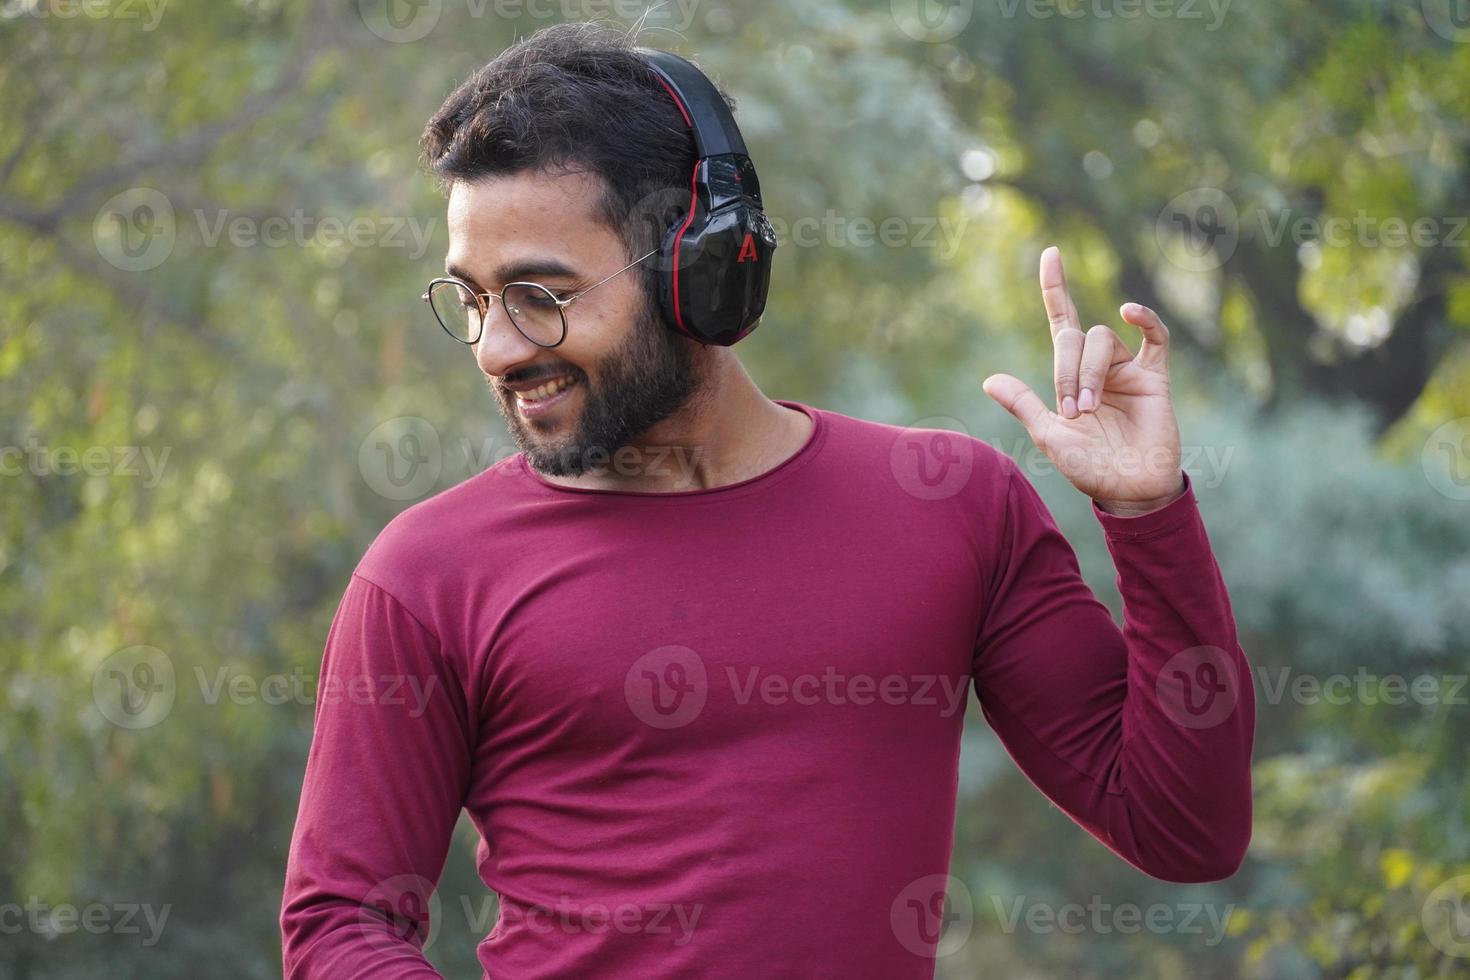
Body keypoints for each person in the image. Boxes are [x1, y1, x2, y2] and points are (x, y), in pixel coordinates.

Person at [280, 22, 1254, 979]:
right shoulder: (426, 576)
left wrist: (1147, 514)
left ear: (702, 265)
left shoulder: (956, 505)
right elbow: (340, 924)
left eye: (540, 293)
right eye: (476, 299)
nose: (497, 347)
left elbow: (1182, 827)